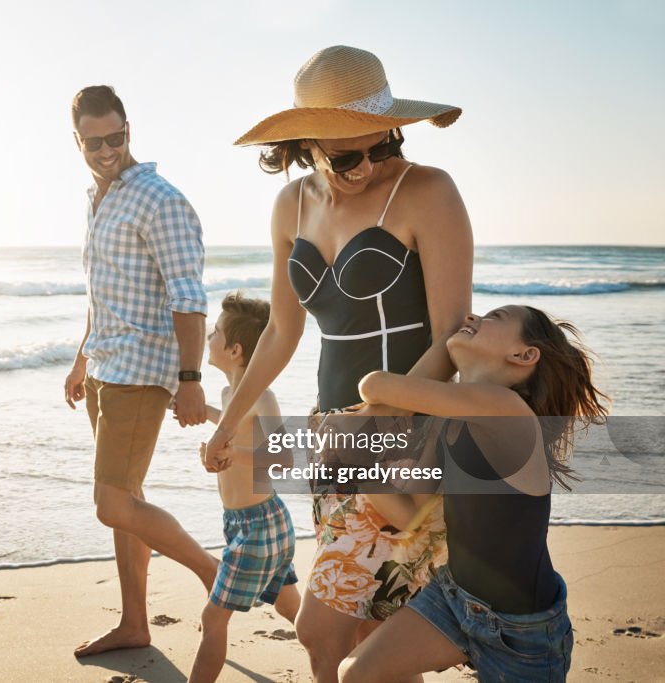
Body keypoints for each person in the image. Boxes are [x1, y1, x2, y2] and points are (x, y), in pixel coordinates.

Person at [204, 45, 473, 682]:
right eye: (350, 154)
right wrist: (227, 423)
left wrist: (379, 415)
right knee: (373, 627)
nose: (373, 163)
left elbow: (454, 336)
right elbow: (279, 332)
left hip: (407, 438)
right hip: (333, 436)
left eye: (383, 145)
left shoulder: (427, 190)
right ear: (307, 144)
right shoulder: (290, 206)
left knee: (322, 631)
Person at [336, 305, 609, 682]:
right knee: (356, 674)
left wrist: (360, 420)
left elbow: (374, 385)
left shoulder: (508, 410)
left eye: (493, 317)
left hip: (522, 629)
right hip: (453, 596)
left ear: (525, 355)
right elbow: (408, 512)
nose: (470, 318)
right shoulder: (447, 422)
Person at [62, 85, 219, 658]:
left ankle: (215, 575)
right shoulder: (97, 198)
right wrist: (82, 359)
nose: (107, 150)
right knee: (126, 500)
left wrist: (191, 377)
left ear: (130, 129)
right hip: (105, 364)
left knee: (111, 501)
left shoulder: (159, 199)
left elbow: (188, 296)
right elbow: (100, 291)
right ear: (76, 139)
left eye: (116, 137)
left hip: (140, 368)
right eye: (94, 141)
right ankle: (135, 624)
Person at [189, 293, 300, 682]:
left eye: (215, 332)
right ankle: (345, 654)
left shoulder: (262, 396)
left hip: (260, 527)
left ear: (235, 350)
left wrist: (231, 451)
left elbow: (284, 459)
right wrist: (210, 417)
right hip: (240, 523)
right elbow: (240, 430)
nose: (208, 335)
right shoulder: (227, 395)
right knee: (293, 611)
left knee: (212, 617)